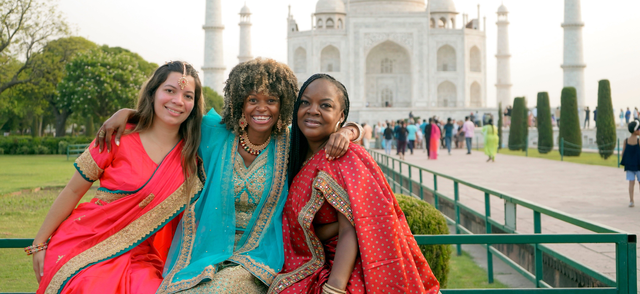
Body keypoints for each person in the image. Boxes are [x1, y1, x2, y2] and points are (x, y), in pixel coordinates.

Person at [96, 59, 361, 294]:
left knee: (219, 289)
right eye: (253, 99)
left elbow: (325, 125)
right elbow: (174, 115)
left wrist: (349, 130)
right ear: (239, 102)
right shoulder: (216, 132)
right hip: (205, 252)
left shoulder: (291, 143)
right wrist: (127, 114)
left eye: (271, 100)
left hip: (259, 257)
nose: (262, 108)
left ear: (283, 104)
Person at [33, 62, 205, 294]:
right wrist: (39, 243)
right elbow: (73, 191)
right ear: (153, 93)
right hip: (85, 244)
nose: (178, 101)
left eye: (188, 95)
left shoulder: (194, 153)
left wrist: (128, 112)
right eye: (170, 91)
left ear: (194, 105)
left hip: (139, 254)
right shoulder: (116, 137)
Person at [270, 74, 440, 294]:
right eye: (305, 102)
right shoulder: (291, 151)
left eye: (325, 105)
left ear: (340, 115)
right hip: (308, 261)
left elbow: (350, 228)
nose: (312, 110)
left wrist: (334, 288)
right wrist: (350, 129)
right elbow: (349, 220)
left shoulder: (343, 156)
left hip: (347, 270)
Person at [621, 120, 640, 207]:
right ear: (635, 130)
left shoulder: (626, 140)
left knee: (631, 183)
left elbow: (623, 154)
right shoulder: (638, 141)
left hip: (629, 166)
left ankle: (631, 201)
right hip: (638, 165)